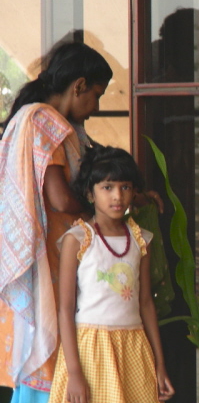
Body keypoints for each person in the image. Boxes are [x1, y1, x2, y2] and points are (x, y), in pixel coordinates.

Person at [0, 42, 111, 402]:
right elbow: (61, 199)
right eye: (95, 95)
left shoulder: (35, 117)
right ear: (78, 85)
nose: (95, 108)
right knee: (50, 364)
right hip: (50, 259)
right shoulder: (45, 120)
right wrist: (107, 208)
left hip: (54, 257)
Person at [49, 145, 174, 403]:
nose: (117, 196)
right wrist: (73, 372)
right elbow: (65, 309)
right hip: (90, 349)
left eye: (125, 187)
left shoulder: (141, 240)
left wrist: (160, 365)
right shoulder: (79, 239)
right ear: (90, 194)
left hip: (134, 346)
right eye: (107, 187)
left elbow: (146, 303)